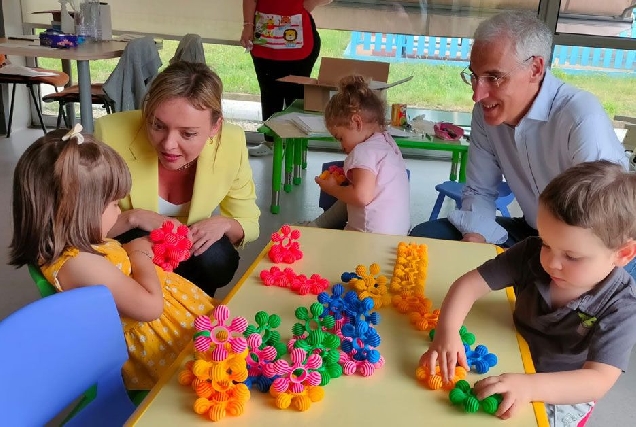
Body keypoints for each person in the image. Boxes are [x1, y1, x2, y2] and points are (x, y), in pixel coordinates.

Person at [420, 160, 636, 427]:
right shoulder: (531, 254)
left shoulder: (623, 305)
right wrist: (447, 332)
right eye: (547, 243)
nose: (552, 262)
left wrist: (530, 387)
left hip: (561, 387)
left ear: (623, 254)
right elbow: (468, 285)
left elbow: (597, 380)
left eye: (572, 256)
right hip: (511, 352)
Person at [9, 127, 215, 390]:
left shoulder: (74, 243)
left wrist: (134, 239)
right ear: (77, 212)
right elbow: (150, 308)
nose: (119, 211)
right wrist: (138, 253)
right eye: (114, 204)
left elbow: (109, 252)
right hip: (162, 349)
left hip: (176, 325)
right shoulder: (79, 264)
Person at [409, 11, 627, 248]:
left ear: (535, 69)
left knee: (542, 278)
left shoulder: (580, 116)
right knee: (427, 237)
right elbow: (480, 190)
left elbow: (604, 221)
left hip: (593, 246)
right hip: (533, 232)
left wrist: (552, 260)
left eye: (494, 77)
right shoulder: (485, 113)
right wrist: (475, 239)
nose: (477, 94)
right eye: (474, 76)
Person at [94, 61, 260, 297]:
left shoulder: (230, 143)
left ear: (215, 127)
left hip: (190, 252)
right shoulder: (111, 133)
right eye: (157, 125)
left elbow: (249, 221)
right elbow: (82, 227)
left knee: (216, 256)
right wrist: (135, 218)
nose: (169, 144)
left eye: (188, 133)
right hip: (128, 245)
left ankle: (190, 308)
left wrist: (225, 223)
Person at [314, 75, 410, 235]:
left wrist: (332, 189)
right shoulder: (387, 142)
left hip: (368, 236)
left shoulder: (362, 151)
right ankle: (317, 225)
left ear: (357, 122)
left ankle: (315, 228)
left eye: (340, 137)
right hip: (398, 234)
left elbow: (361, 196)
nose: (341, 146)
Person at [240, 0, 332, 157]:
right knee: (269, 91)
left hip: (299, 37)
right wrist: (248, 25)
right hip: (265, 35)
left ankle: (296, 147)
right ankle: (270, 142)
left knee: (296, 96)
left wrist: (305, 4)